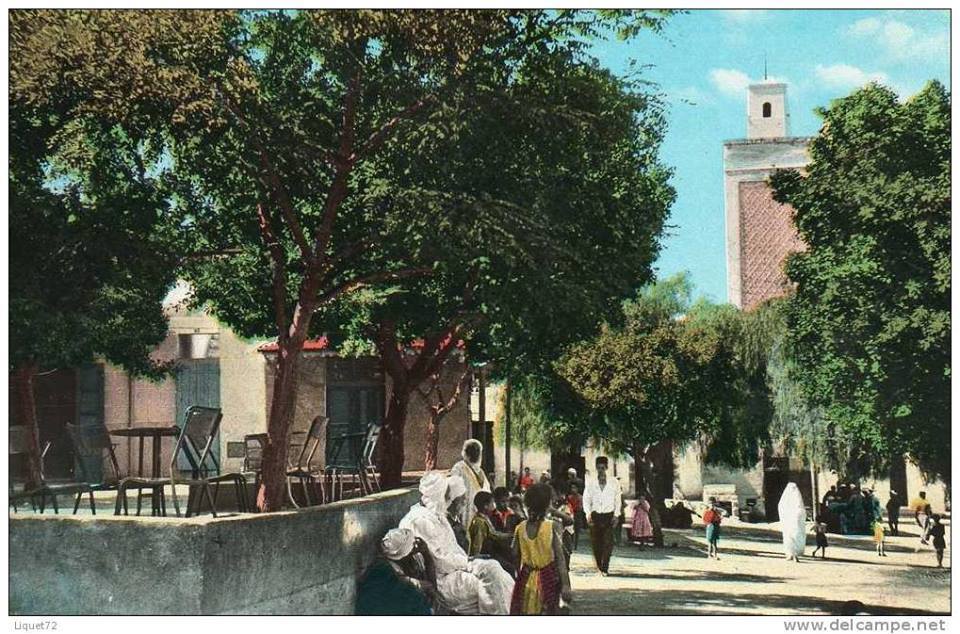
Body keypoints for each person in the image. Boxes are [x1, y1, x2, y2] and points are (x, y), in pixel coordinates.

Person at [399, 472, 515, 615]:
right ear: (437, 495)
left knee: (495, 569)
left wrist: (470, 562)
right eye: (445, 496)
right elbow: (439, 562)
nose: (447, 501)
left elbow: (453, 551)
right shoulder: (420, 520)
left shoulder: (435, 515)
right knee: (495, 587)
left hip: (454, 568)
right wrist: (468, 562)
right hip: (441, 578)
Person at [509, 484, 572, 615]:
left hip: (525, 578)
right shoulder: (551, 527)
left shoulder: (520, 527)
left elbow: (514, 554)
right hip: (547, 579)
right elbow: (560, 559)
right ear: (547, 505)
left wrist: (518, 574)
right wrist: (566, 585)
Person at [356, 529, 437, 615]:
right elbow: (431, 593)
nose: (416, 545)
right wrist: (427, 555)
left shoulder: (380, 567)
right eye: (412, 546)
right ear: (404, 555)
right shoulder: (401, 585)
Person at [582, 456, 622, 576]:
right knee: (596, 543)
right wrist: (588, 513)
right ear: (596, 468)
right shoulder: (591, 482)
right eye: (598, 468)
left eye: (603, 468)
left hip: (609, 516)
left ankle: (605, 567)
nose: (601, 470)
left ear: (606, 468)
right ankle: (599, 567)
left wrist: (616, 515)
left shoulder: (614, 482)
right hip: (595, 516)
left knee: (608, 542)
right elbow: (586, 499)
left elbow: (618, 499)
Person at [468, 491, 516, 577]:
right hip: (485, 556)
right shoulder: (479, 522)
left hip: (489, 554)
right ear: (486, 506)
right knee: (510, 569)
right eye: (492, 503)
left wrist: (510, 535)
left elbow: (494, 533)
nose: (493, 506)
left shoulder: (484, 518)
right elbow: (477, 545)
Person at [449, 439, 492, 530]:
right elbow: (454, 491)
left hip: (480, 511)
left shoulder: (480, 471)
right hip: (465, 509)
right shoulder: (459, 468)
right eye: (473, 450)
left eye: (477, 451)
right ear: (466, 452)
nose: (475, 453)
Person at [778, 482, 807, 562]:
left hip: (794, 523)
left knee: (794, 537)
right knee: (790, 538)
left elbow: (800, 510)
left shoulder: (794, 500)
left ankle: (794, 555)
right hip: (789, 523)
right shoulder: (786, 501)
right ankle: (790, 554)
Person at [549, 492, 576, 571]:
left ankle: (565, 566)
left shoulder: (566, 507)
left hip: (566, 530)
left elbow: (567, 519)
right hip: (557, 530)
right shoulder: (554, 507)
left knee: (566, 550)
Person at [446, 475, 470, 552]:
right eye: (462, 498)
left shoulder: (456, 519)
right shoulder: (446, 522)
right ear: (453, 500)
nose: (464, 501)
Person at [566, 482, 584, 549]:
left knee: (577, 530)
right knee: (570, 529)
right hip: (571, 514)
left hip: (577, 514)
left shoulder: (580, 497)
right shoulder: (569, 497)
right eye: (572, 488)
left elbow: (580, 507)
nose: (573, 489)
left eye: (574, 488)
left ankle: (575, 545)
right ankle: (571, 543)